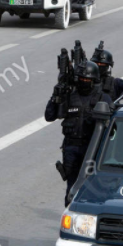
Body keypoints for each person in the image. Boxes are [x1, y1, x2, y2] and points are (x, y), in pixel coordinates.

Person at [45, 61, 112, 205]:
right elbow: (49, 116)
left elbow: (112, 128)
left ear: (94, 80)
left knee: (93, 187)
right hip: (71, 148)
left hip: (92, 148)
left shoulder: (103, 99)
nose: (84, 82)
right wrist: (55, 96)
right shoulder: (70, 96)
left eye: (87, 79)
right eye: (82, 78)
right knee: (71, 188)